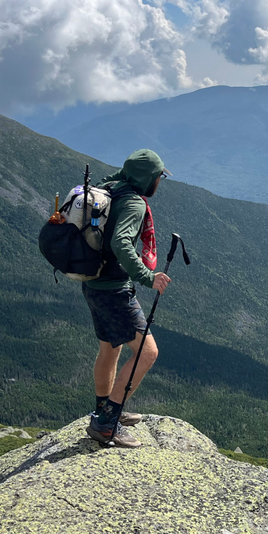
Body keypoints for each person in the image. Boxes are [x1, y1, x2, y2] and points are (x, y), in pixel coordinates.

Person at [83, 149, 172, 448]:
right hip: (114, 290)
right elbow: (122, 241)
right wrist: (148, 277)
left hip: (93, 282)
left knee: (110, 349)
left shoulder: (111, 188)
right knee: (147, 352)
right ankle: (107, 422)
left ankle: (103, 408)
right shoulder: (133, 202)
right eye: (159, 177)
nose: (160, 182)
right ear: (148, 179)